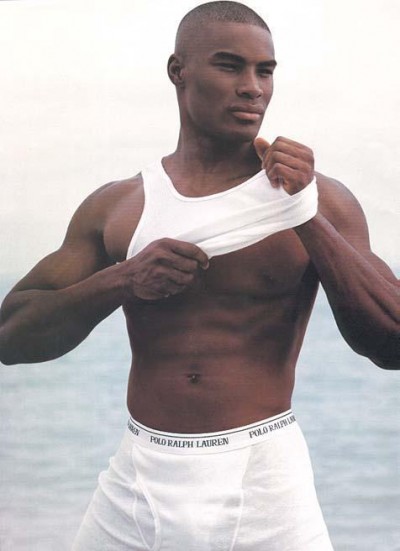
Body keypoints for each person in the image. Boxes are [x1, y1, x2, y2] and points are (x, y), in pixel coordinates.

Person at [1, 1, 399, 549]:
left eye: (265, 71)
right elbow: (11, 336)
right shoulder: (121, 205)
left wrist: (301, 213)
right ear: (178, 71)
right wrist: (122, 280)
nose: (252, 88)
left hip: (263, 483)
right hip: (134, 482)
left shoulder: (319, 199)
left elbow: (392, 343)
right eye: (230, 66)